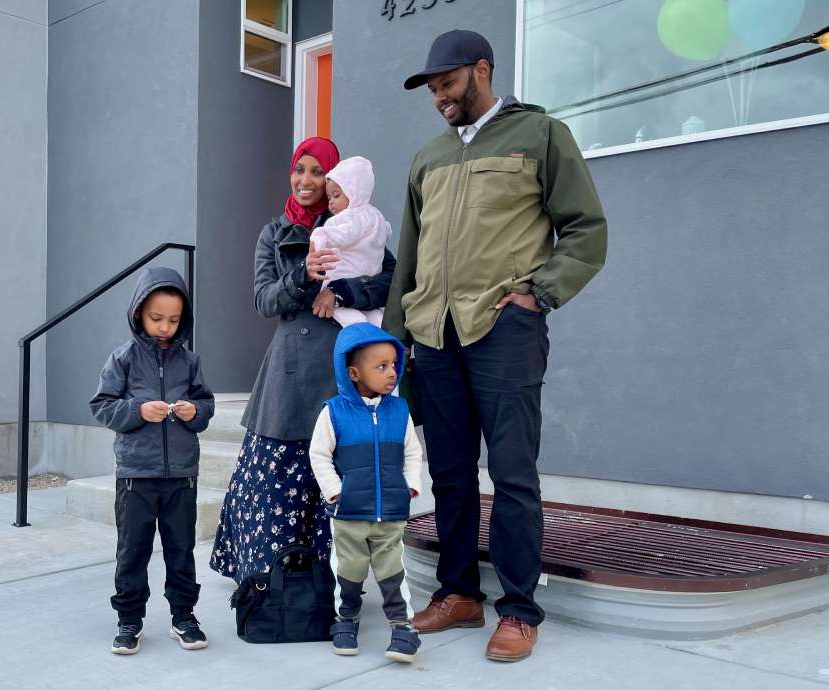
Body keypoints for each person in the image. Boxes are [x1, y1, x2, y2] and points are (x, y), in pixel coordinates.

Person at [385, 29, 608, 662]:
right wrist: (394, 342)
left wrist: (540, 294)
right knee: (450, 474)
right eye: (432, 89)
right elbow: (410, 259)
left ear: (483, 71)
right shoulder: (428, 157)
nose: (439, 98)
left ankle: (517, 609)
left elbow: (586, 229)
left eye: (448, 84)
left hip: (503, 328)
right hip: (434, 333)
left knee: (512, 475)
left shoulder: (539, 135)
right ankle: (458, 594)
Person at [209, 137, 397, 582]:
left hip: (341, 371)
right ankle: (267, 583)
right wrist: (302, 277)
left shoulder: (358, 224)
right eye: (300, 170)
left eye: (317, 172)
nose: (306, 181)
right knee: (273, 481)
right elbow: (263, 300)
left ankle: (326, 585)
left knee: (333, 479)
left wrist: (346, 291)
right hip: (288, 377)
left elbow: (390, 280)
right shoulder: (276, 232)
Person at [90, 267, 215, 655]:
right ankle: (129, 619)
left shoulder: (190, 362)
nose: (165, 327)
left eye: (174, 320)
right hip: (135, 476)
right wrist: (138, 411)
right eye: (157, 318)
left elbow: (206, 405)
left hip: (181, 476)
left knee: (181, 548)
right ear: (139, 313)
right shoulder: (123, 358)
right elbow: (102, 406)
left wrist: (194, 412)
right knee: (133, 550)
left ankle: (184, 616)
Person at [308, 323, 424, 662]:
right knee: (350, 570)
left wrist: (411, 484)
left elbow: (413, 451)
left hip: (390, 510)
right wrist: (335, 492)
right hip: (349, 513)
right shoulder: (334, 412)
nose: (392, 373)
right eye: (381, 367)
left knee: (392, 571)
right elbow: (319, 455)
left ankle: (403, 627)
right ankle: (346, 619)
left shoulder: (398, 410)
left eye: (393, 365)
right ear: (354, 372)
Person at [309, 156, 392, 328]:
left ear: (354, 192)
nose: (330, 202)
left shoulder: (349, 218)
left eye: (336, 195)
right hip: (358, 283)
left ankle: (365, 338)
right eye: (329, 196)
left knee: (359, 322)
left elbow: (341, 235)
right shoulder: (376, 215)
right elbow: (386, 231)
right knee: (376, 322)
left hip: (345, 280)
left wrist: (320, 236)